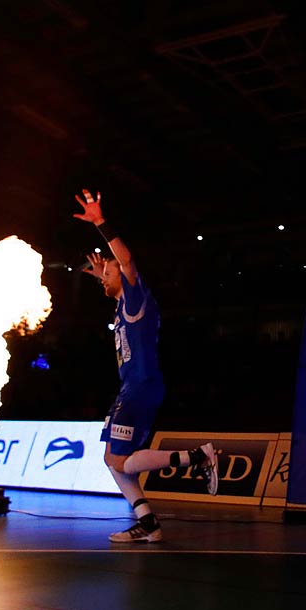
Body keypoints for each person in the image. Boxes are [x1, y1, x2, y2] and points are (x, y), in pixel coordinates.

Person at [73, 189, 219, 543]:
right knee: (112, 459)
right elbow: (116, 276)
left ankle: (197, 458)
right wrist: (100, 272)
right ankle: (148, 523)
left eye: (107, 273)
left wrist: (100, 223)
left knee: (121, 461)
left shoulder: (136, 299)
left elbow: (126, 262)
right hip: (133, 387)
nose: (103, 278)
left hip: (140, 386)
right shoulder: (123, 302)